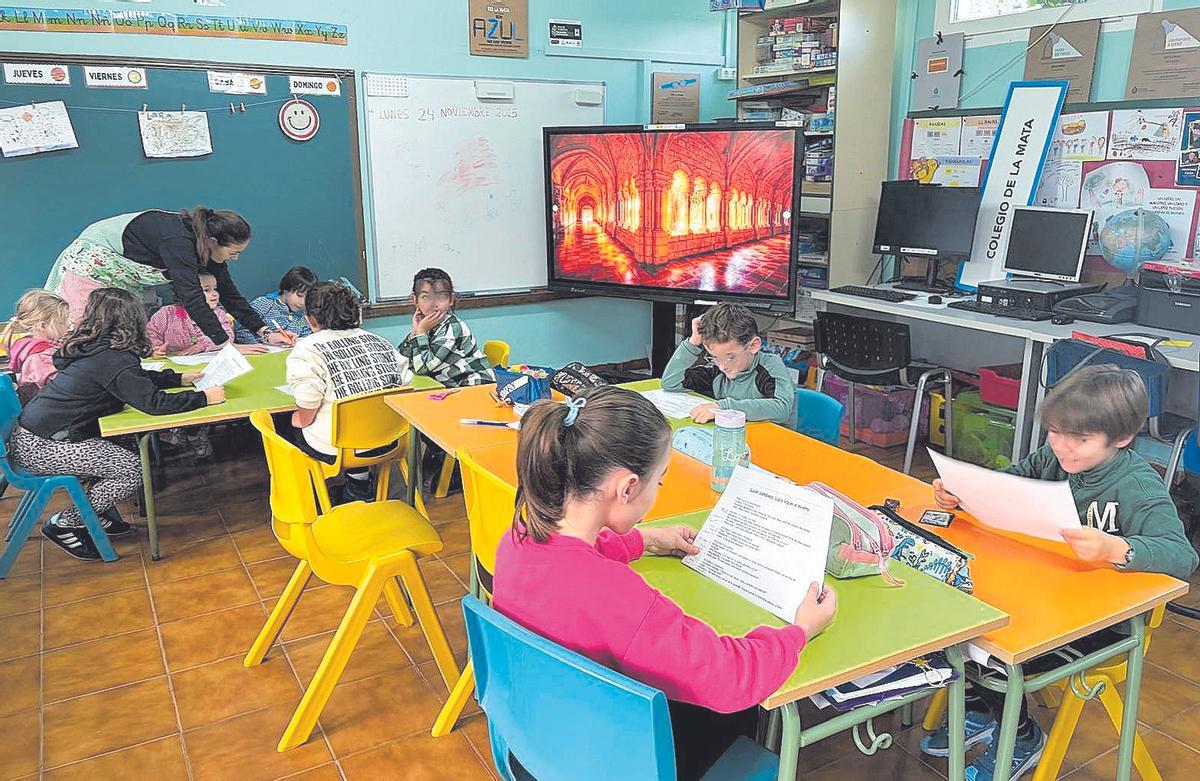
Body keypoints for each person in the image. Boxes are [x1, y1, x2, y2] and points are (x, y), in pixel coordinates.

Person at [492, 385, 837, 780]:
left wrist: (648, 539)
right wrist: (801, 629)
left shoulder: (520, 535)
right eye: (659, 481)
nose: (660, 490)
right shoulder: (617, 597)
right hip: (610, 765)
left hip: (535, 741)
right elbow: (733, 679)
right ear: (627, 488)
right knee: (740, 710)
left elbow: (578, 559)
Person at [922, 365, 1199, 781]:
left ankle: (1021, 736)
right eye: (1055, 431)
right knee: (957, 620)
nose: (1063, 448)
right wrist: (964, 493)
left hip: (1105, 624)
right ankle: (980, 708)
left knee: (991, 649)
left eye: (1080, 439)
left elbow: (1183, 556)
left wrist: (1118, 548)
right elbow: (1011, 484)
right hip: (1047, 593)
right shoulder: (1053, 456)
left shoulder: (1138, 487)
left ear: (1121, 439)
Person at [10, 288, 223, 561]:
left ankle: (94, 512)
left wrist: (177, 379)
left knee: (125, 445)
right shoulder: (112, 357)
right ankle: (67, 522)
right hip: (43, 446)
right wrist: (204, 397)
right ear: (131, 321)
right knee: (130, 469)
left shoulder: (97, 348)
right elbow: (152, 403)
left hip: (37, 437)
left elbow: (130, 378)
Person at [44, 207, 294, 349]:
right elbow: (192, 295)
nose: (235, 259)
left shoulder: (206, 247)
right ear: (215, 242)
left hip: (123, 277)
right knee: (85, 329)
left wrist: (264, 332)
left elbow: (230, 294)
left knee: (122, 333)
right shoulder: (179, 241)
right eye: (233, 253)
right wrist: (226, 345)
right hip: (92, 266)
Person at [282, 282, 412, 502]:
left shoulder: (307, 349)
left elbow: (308, 404)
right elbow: (405, 384)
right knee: (357, 421)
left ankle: (305, 499)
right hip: (391, 439)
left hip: (342, 447)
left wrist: (297, 419)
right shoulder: (379, 341)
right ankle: (358, 485)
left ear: (311, 319)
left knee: (286, 427)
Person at [661, 302, 797, 428]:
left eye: (731, 357)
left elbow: (782, 408)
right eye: (714, 357)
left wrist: (723, 407)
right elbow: (671, 383)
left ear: (754, 346)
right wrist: (692, 343)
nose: (722, 366)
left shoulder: (770, 366)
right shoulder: (718, 370)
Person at [147, 270, 267, 356]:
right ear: (187, 292)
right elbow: (151, 333)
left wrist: (202, 346)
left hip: (205, 361)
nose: (214, 294)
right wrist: (156, 348)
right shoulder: (167, 313)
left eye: (215, 289)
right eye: (206, 290)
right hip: (172, 363)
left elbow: (228, 337)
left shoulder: (219, 314)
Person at [3, 289, 71, 403]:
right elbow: (63, 385)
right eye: (62, 321)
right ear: (43, 326)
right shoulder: (41, 355)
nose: (68, 325)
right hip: (48, 408)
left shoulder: (27, 344)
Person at [235, 265, 319, 343]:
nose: (302, 302)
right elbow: (241, 331)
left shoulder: (303, 315)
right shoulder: (264, 304)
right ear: (286, 289)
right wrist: (260, 345)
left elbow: (306, 336)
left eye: (308, 298)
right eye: (300, 295)